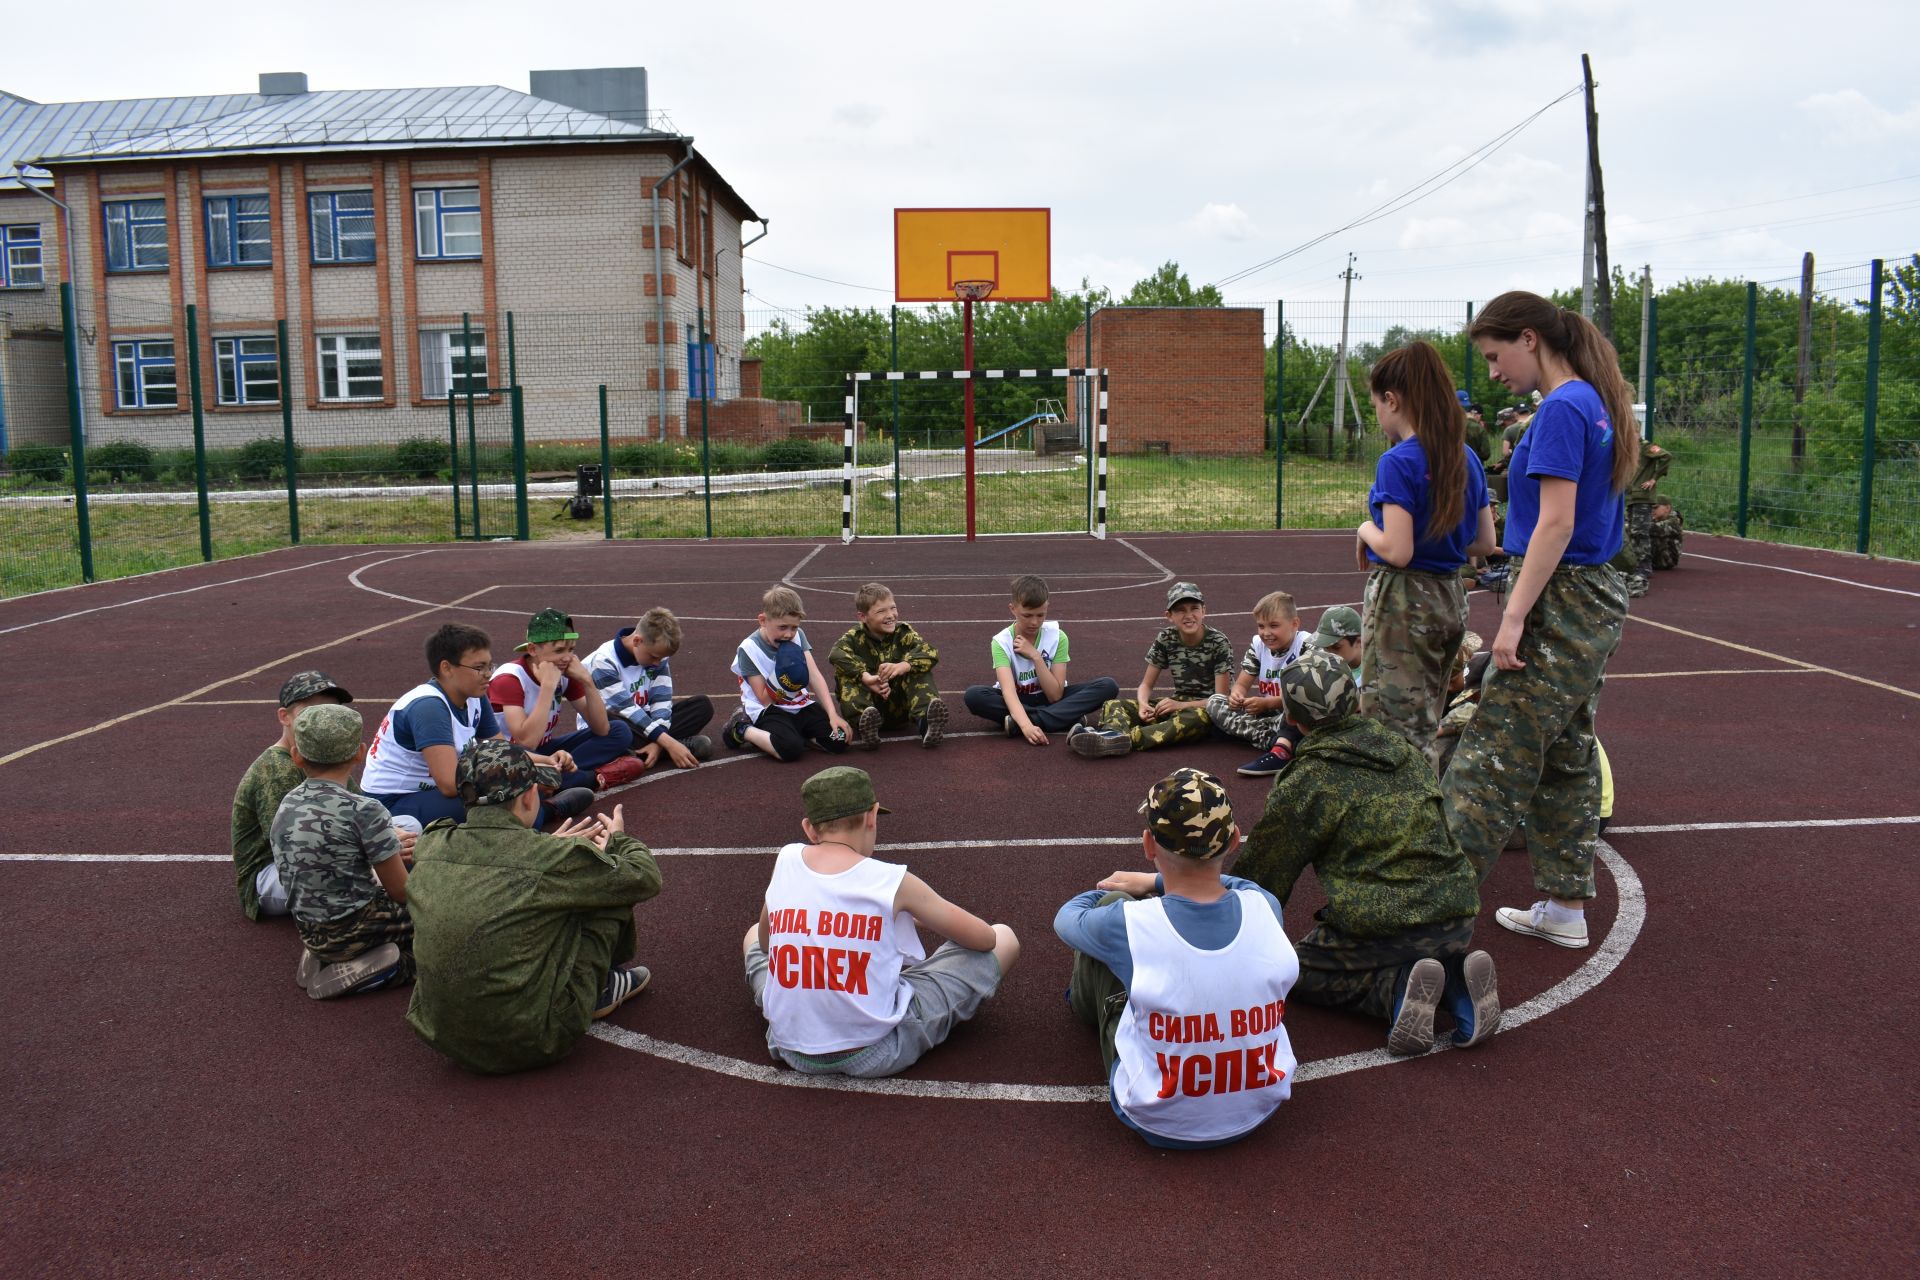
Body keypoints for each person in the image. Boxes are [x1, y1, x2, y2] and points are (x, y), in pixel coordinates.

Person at [1444, 289, 1639, 951]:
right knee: (1565, 752)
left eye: (1496, 356)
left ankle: (1425, 915)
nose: (1494, 372)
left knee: (1490, 754)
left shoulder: (1561, 408)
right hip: (1592, 592)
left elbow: (1555, 523)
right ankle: (1563, 904)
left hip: (1562, 595)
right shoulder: (1592, 400)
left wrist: (1513, 618)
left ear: (1530, 338)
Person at [1237, 650, 1499, 1055]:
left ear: (1291, 718)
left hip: (1386, 924)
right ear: (1356, 701)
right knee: (1408, 939)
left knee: (1289, 972)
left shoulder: (1308, 779)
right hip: (1458, 910)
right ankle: (1456, 981)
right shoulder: (1401, 750)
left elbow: (1263, 877)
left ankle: (1392, 990)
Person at [1056, 768, 1297, 1149]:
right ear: (1235, 840)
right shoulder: (1265, 906)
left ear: (1148, 845)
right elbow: (1243, 886)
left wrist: (1114, 891)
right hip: (1258, 1110)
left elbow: (1067, 919)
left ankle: (1085, 1006)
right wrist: (1156, 884)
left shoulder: (1129, 923)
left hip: (1156, 1120)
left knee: (1111, 908)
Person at [405, 739, 663, 1074]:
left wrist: (542, 850)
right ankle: (603, 985)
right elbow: (644, 878)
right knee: (604, 886)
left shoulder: (432, 843)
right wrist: (618, 841)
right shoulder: (549, 859)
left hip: (437, 1031)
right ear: (529, 796)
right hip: (535, 1038)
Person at [742, 766, 1019, 1078]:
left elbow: (767, 943)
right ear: (871, 817)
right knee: (1005, 937)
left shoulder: (787, 859)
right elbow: (984, 939)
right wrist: (918, 918)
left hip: (790, 1047)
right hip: (874, 1051)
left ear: (809, 829)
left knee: (753, 934)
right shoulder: (891, 880)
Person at [1355, 340, 1498, 764]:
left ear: (1392, 399)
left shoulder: (1398, 461)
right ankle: (1425, 813)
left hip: (1404, 603)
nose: (1377, 415)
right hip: (1449, 598)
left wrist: (1365, 529)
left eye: (1376, 404)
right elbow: (1484, 544)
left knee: (1389, 731)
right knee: (1426, 719)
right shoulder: (1465, 456)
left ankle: (1403, 823)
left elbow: (1398, 550)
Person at [363, 622, 592, 829]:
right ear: (447, 668)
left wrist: (547, 761)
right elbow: (451, 784)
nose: (488, 675)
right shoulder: (429, 708)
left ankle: (540, 804)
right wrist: (528, 775)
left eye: (490, 665)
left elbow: (502, 751)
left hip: (432, 793)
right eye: (479, 667)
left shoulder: (474, 694)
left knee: (511, 793)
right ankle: (549, 810)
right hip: (395, 802)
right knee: (497, 808)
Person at [271, 704, 413, 1000]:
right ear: (360, 753)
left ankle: (324, 954)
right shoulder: (365, 810)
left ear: (296, 755)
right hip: (355, 925)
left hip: (309, 927)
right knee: (441, 931)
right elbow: (402, 892)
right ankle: (384, 966)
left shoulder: (286, 803)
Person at [232, 670, 353, 920]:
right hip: (275, 872)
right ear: (284, 717)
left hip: (322, 848)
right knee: (354, 868)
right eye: (310, 712)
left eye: (331, 712)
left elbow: (359, 807)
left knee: (408, 825)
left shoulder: (328, 754)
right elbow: (293, 844)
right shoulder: (277, 769)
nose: (322, 721)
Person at [1071, 581, 1232, 759]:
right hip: (1177, 704)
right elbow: (1146, 685)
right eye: (1180, 610)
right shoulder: (1166, 638)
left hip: (1207, 711)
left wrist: (1180, 705)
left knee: (1195, 718)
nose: (1189, 615)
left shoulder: (1218, 642)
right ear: (1169, 615)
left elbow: (1221, 700)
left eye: (1194, 608)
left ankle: (1123, 738)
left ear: (1204, 611)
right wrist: (1143, 704)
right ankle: (1112, 735)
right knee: (1113, 704)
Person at [488, 608, 636, 790]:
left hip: (545, 750)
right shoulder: (510, 678)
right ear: (532, 649)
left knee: (619, 730)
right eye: (559, 650)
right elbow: (526, 742)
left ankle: (559, 776)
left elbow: (602, 728)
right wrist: (547, 687)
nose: (567, 657)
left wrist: (588, 681)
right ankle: (581, 777)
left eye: (571, 649)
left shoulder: (565, 672)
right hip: (512, 757)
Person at [962, 574, 1119, 745]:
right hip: (1017, 698)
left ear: (1047, 608)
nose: (1034, 622)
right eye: (1027, 615)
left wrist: (1036, 657)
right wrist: (1027, 726)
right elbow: (1008, 692)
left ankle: (1018, 722)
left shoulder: (1058, 637)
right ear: (1012, 608)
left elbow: (1055, 695)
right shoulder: (1001, 642)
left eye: (1040, 615)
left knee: (1108, 686)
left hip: (1050, 697)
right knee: (974, 696)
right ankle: (1062, 717)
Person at [722, 587, 852, 762]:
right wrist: (784, 679)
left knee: (839, 740)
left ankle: (798, 732)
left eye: (794, 627)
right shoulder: (749, 649)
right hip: (767, 709)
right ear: (763, 620)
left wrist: (832, 714)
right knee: (790, 749)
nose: (788, 634)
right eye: (782, 627)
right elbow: (764, 699)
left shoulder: (797, 636)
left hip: (799, 704)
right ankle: (741, 728)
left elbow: (814, 675)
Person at [585, 606, 715, 776]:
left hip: (645, 726)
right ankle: (675, 746)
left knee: (702, 706)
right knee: (616, 725)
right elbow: (626, 710)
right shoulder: (604, 661)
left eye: (661, 658)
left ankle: (645, 753)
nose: (657, 663)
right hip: (613, 725)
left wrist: (659, 743)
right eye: (654, 657)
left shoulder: (657, 657)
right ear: (637, 641)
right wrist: (670, 743)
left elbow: (662, 701)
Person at [827, 582, 947, 750]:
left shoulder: (903, 633)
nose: (890, 615)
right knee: (846, 672)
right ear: (863, 617)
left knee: (917, 668)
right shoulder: (854, 637)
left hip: (899, 708)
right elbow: (836, 654)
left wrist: (903, 666)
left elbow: (931, 652)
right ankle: (866, 724)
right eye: (881, 611)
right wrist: (866, 677)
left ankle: (926, 722)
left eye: (893, 608)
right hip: (871, 706)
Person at [1207, 590, 1312, 778]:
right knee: (1215, 702)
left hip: (1292, 714)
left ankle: (1280, 742)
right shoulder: (1258, 645)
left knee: (1299, 711)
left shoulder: (1306, 645)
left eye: (1274, 626)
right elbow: (1241, 684)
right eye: (1261, 626)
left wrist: (1269, 703)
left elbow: (1310, 693)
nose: (1266, 633)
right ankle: (1277, 742)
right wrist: (1236, 696)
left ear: (1295, 624)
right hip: (1269, 715)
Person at [1622, 442, 1670, 598]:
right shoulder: (1628, 449)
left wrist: (1654, 478)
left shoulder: (1646, 447)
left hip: (1643, 496)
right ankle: (1636, 563)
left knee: (1640, 531)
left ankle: (1644, 565)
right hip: (1631, 496)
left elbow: (1666, 456)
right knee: (1633, 531)